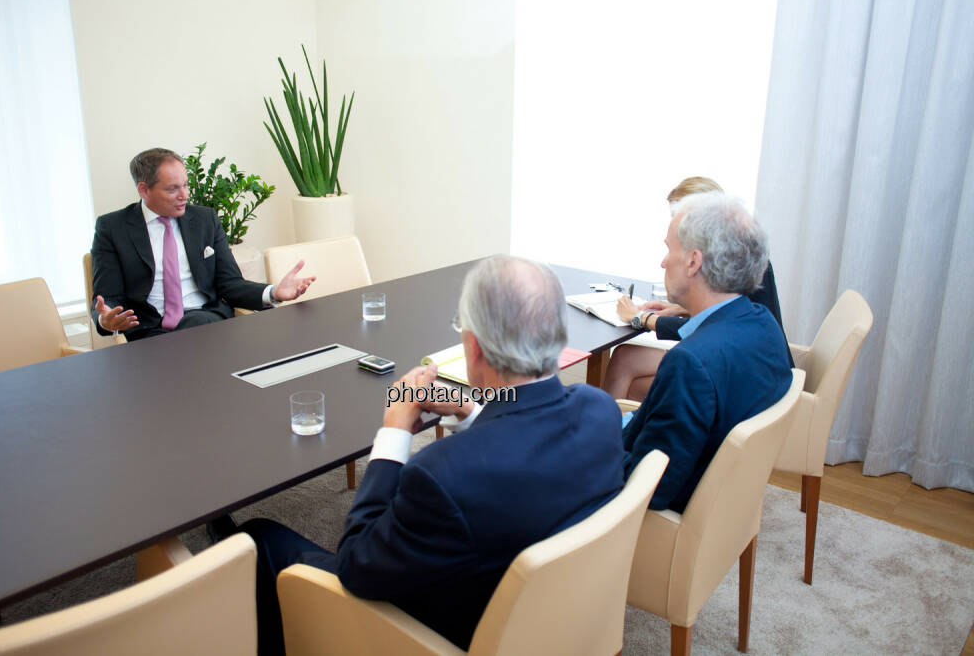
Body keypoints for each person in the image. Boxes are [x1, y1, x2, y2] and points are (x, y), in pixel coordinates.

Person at [236, 256, 625, 654]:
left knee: (257, 538)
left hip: (442, 632)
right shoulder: (600, 410)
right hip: (548, 619)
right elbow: (520, 441)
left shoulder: (443, 474)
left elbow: (357, 563)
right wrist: (467, 409)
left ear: (474, 347)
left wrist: (394, 431)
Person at [620, 193, 792, 512]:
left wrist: (587, 449)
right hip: (721, 500)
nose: (662, 261)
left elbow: (650, 488)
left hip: (649, 518)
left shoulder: (690, 363)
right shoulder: (761, 324)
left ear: (693, 261)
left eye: (669, 249)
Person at [90, 148, 316, 340]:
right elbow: (107, 297)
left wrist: (274, 291)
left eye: (186, 185)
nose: (184, 195)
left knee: (197, 324)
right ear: (144, 190)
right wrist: (106, 319)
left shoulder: (205, 220)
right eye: (172, 189)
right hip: (150, 333)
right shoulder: (113, 228)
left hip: (206, 320)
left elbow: (230, 283)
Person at [603, 177, 788, 400]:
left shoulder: (736, 264)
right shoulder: (756, 310)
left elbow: (715, 330)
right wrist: (681, 309)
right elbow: (728, 317)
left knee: (631, 374)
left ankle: (607, 427)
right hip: (747, 366)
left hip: (735, 372)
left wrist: (641, 318)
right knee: (626, 360)